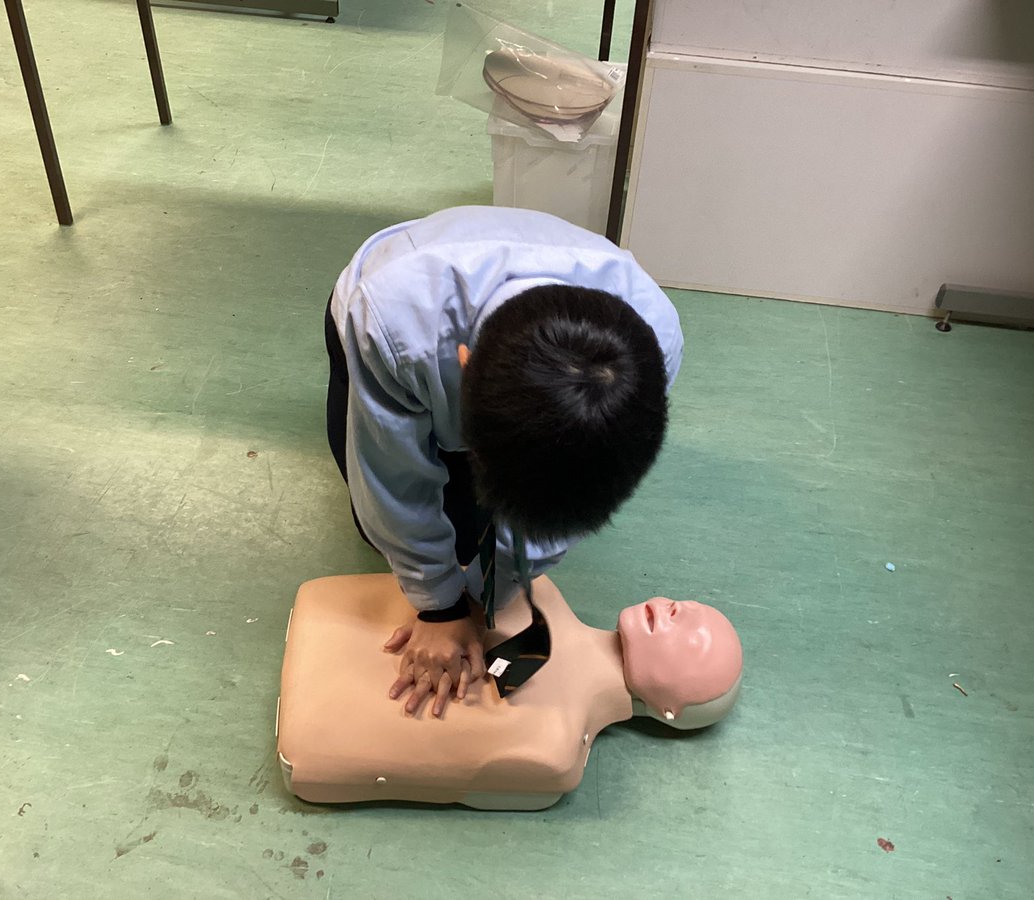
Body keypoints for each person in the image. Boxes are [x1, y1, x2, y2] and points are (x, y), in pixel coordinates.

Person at [325, 207, 684, 717]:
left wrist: (484, 597)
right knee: (394, 531)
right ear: (465, 367)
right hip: (385, 303)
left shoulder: (655, 344)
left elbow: (573, 492)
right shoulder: (393, 326)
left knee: (478, 542)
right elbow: (393, 483)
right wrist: (439, 607)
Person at [276, 573, 743, 809]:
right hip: (339, 638)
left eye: (697, 645)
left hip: (323, 718)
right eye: (691, 608)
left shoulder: (552, 750)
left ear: (670, 710)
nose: (680, 611)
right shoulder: (537, 589)